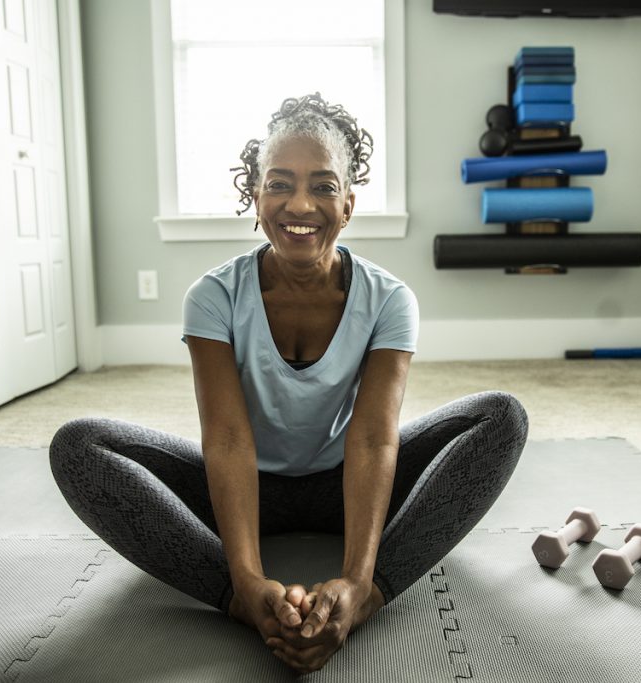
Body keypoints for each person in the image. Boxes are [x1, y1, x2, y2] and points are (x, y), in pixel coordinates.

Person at [49, 93, 529, 674]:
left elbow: (375, 440)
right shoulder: (213, 297)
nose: (300, 203)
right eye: (280, 183)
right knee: (79, 445)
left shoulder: (390, 300)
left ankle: (370, 598)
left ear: (348, 205)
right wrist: (249, 581)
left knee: (501, 416)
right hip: (241, 487)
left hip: (345, 484)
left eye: (323, 186)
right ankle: (241, 604)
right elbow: (226, 440)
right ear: (255, 197)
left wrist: (355, 581)